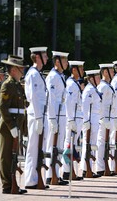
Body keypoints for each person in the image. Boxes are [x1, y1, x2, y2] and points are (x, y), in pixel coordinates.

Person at [0, 55, 29, 194]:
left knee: (13, 156)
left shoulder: (17, 85)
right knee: (6, 157)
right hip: (7, 128)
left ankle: (12, 184)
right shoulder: (7, 85)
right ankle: (7, 185)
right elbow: (3, 107)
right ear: (13, 70)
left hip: (16, 126)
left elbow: (21, 107)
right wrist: (11, 127)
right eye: (20, 68)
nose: (23, 70)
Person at [24, 47, 49, 189]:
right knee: (33, 148)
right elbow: (33, 97)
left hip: (40, 114)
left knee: (39, 148)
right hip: (35, 115)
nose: (46, 58)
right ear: (38, 57)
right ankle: (30, 180)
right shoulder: (33, 74)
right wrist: (39, 117)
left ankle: (36, 178)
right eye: (44, 55)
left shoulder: (37, 74)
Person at [45, 51, 69, 185]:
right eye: (64, 60)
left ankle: (56, 174)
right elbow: (51, 99)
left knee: (58, 146)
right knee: (51, 145)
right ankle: (50, 175)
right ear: (57, 61)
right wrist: (52, 118)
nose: (67, 63)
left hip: (61, 115)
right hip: (56, 115)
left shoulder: (60, 76)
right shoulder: (53, 77)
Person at [62, 60, 85, 180]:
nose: (83, 71)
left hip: (77, 117)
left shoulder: (74, 83)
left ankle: (69, 171)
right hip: (74, 118)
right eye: (80, 69)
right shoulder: (71, 84)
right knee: (69, 145)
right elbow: (69, 103)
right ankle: (68, 171)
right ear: (74, 70)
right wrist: (70, 120)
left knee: (72, 145)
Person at [80, 69, 102, 178]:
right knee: (87, 144)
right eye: (97, 77)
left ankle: (89, 168)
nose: (100, 79)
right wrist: (86, 121)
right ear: (91, 78)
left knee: (92, 144)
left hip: (94, 118)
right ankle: (85, 168)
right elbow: (84, 107)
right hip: (90, 119)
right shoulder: (89, 90)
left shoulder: (94, 89)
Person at [96, 63, 116, 176]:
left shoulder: (107, 85)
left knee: (106, 143)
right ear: (104, 72)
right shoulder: (102, 86)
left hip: (108, 118)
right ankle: (100, 167)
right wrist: (103, 118)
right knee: (101, 143)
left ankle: (104, 167)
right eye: (110, 70)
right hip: (103, 119)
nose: (113, 72)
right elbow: (100, 104)